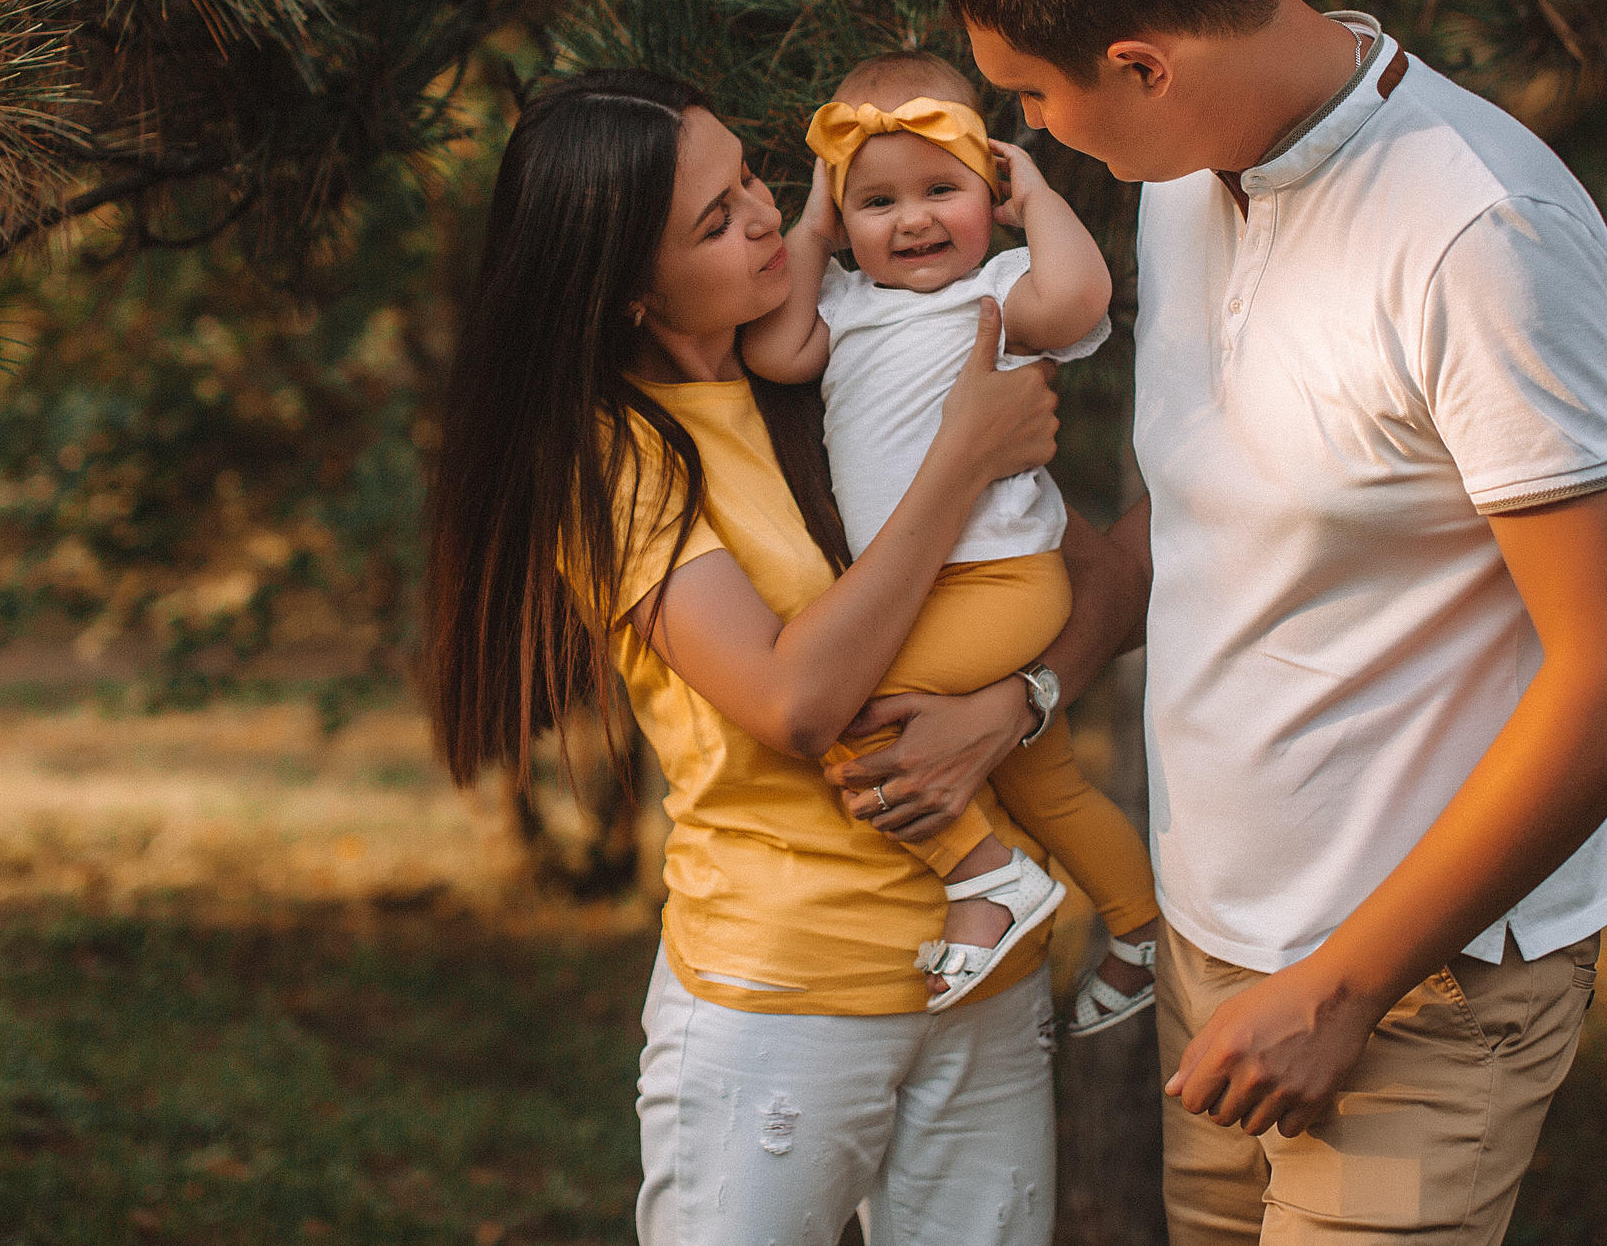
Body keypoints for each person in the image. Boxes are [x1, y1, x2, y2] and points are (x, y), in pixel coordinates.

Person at [918, 0, 1607, 1245]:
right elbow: (1199, 517)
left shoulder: (1479, 234)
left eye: (1031, 94)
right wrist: (1022, 693)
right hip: (1217, 954)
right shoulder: (1181, 178)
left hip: (1416, 984)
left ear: (1142, 65)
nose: (1029, 131)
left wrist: (1343, 988)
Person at [423, 70, 1150, 1246]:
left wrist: (1021, 704)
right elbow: (794, 700)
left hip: (985, 972)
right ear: (627, 293)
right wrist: (961, 458)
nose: (766, 217)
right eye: (716, 221)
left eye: (752, 181)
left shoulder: (861, 341)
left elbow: (1102, 582)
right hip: (785, 992)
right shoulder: (614, 461)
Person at [743, 49, 1166, 1031]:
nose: (913, 220)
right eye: (875, 203)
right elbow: (776, 347)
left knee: (847, 707)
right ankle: (1144, 931)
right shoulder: (844, 305)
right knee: (1050, 788)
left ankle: (985, 877)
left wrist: (1040, 199)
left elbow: (1081, 299)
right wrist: (812, 227)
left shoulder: (1003, 291)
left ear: (990, 186)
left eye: (942, 190)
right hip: (933, 594)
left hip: (1002, 583)